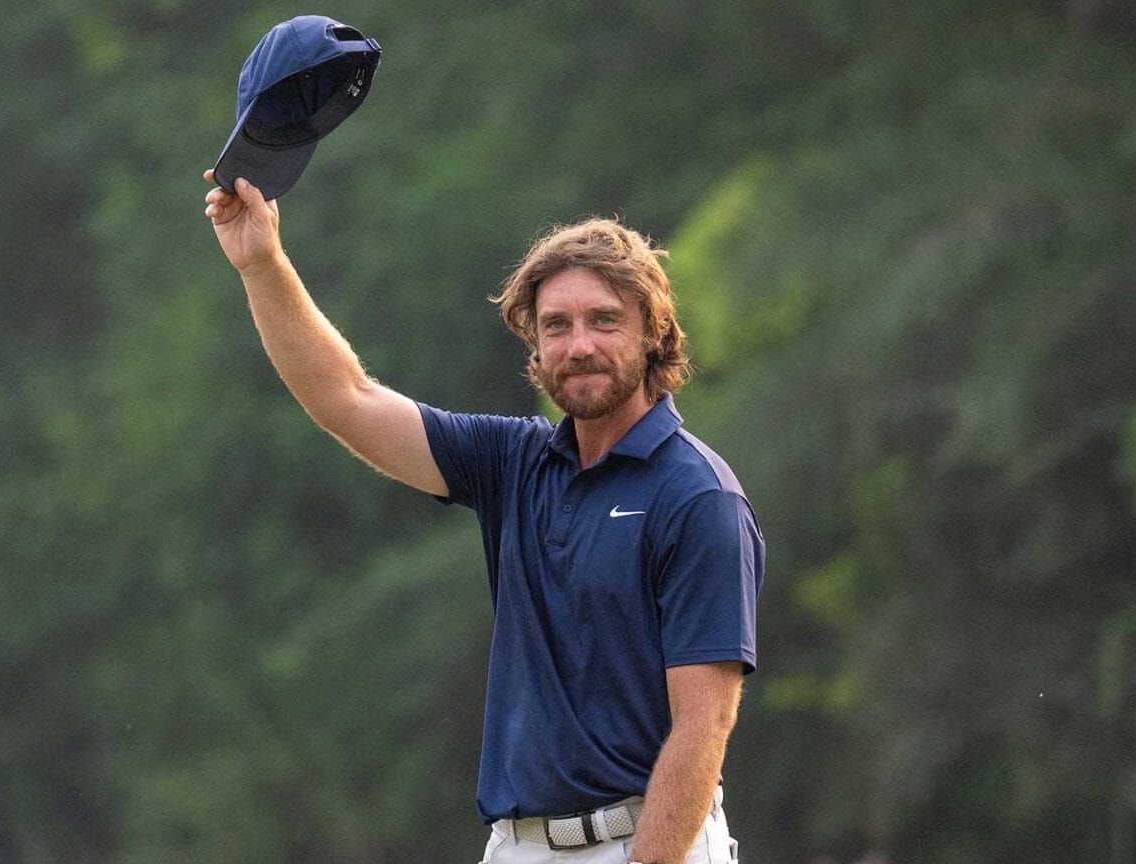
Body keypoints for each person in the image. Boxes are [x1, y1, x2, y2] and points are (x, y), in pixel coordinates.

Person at [202, 170, 763, 864]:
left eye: (605, 320)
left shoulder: (698, 497)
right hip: (517, 846)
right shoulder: (514, 463)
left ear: (653, 333)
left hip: (650, 842)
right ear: (535, 347)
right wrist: (262, 264)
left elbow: (703, 726)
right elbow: (346, 399)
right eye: (556, 326)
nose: (579, 345)